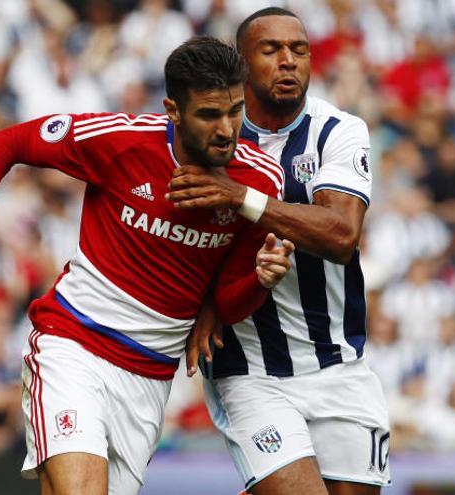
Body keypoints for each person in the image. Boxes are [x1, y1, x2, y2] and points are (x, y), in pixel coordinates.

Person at [0, 37, 292, 495]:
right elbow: (7, 143)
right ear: (174, 110)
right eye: (209, 115)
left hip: (150, 376)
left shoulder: (260, 180)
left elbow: (227, 298)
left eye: (235, 111)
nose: (227, 129)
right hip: (75, 347)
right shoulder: (121, 141)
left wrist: (260, 281)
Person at [168, 8, 390, 495]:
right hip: (248, 370)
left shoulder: (339, 130)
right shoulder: (209, 132)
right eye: (271, 50)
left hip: (339, 364)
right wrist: (205, 301)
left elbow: (340, 236)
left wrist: (239, 197)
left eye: (300, 50)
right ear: (242, 65)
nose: (288, 61)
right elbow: (180, 232)